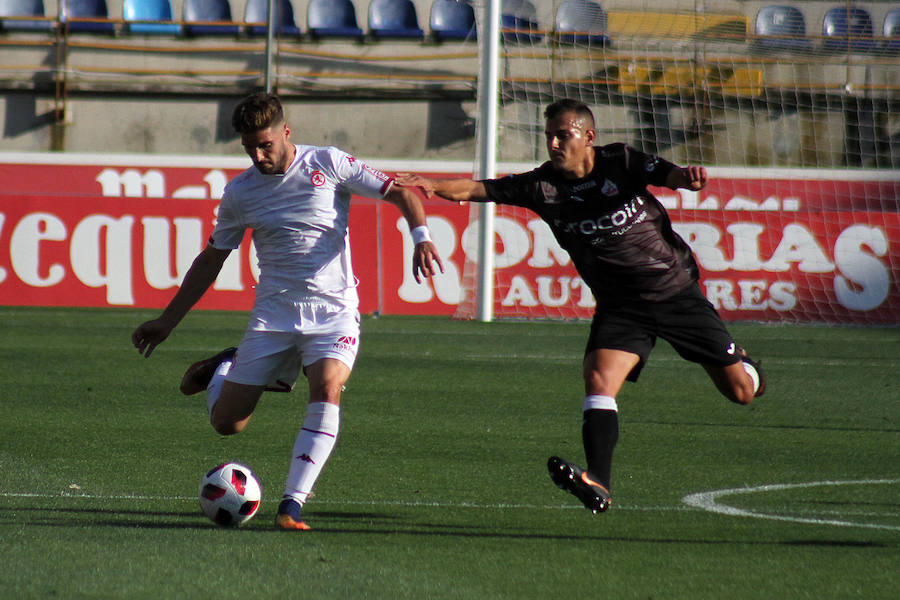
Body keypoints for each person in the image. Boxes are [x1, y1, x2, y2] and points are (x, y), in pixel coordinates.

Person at [396, 98, 765, 514]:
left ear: (588, 137)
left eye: (563, 135)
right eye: (549, 135)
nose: (553, 143)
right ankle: (599, 481)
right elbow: (478, 189)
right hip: (620, 306)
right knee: (598, 379)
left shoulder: (619, 161)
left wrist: (687, 178)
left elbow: (665, 172)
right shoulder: (542, 186)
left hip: (674, 291)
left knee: (742, 392)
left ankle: (746, 364)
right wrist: (430, 184)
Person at [132, 92, 443, 530]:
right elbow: (212, 259)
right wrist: (167, 321)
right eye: (249, 148)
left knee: (328, 388)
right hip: (274, 316)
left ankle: (291, 505)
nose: (259, 156)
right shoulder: (240, 192)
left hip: (335, 310)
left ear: (286, 132)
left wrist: (422, 237)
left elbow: (400, 193)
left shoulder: (328, 164)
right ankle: (225, 365)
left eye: (266, 145)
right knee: (228, 425)